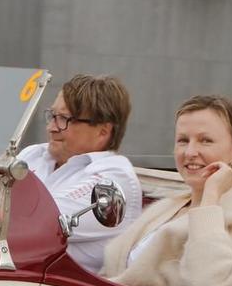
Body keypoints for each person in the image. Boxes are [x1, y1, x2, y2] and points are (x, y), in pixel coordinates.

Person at [101, 94, 232, 286]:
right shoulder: (171, 204)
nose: (190, 152)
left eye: (206, 141)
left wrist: (211, 197)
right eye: (183, 140)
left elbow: (212, 282)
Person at [15, 73, 141, 274]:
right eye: (52, 116)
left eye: (64, 119)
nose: (51, 127)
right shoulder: (34, 154)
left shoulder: (115, 178)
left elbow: (40, 222)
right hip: (17, 276)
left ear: (103, 131)